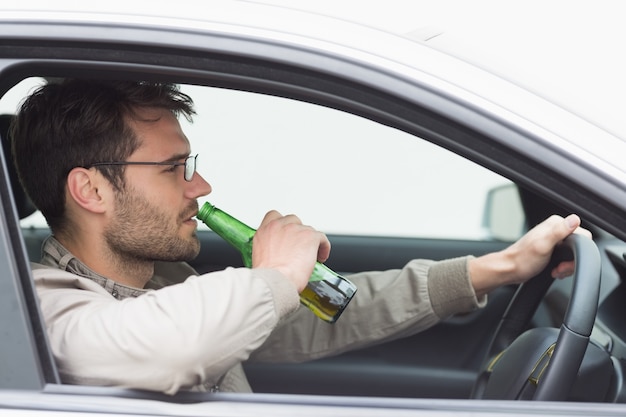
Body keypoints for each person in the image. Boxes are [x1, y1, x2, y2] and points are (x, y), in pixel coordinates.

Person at [11, 79, 588, 395]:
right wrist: (276, 274)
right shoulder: (39, 310)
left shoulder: (163, 284)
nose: (201, 186)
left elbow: (322, 315)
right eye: (173, 169)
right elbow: (174, 346)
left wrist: (500, 267)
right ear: (90, 190)